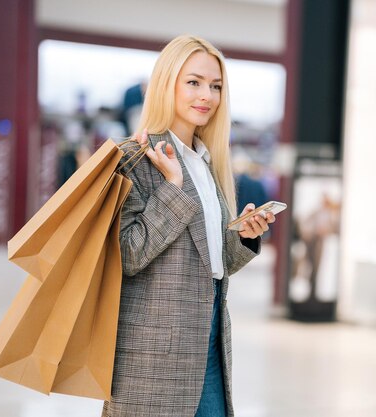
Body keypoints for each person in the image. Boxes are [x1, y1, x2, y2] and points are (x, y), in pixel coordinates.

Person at [102, 35, 276, 417]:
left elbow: (210, 263)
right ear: (168, 84)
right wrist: (173, 189)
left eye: (215, 86)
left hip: (209, 339)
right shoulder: (135, 158)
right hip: (152, 355)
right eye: (194, 82)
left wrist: (243, 237)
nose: (207, 96)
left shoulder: (206, 160)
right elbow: (127, 255)